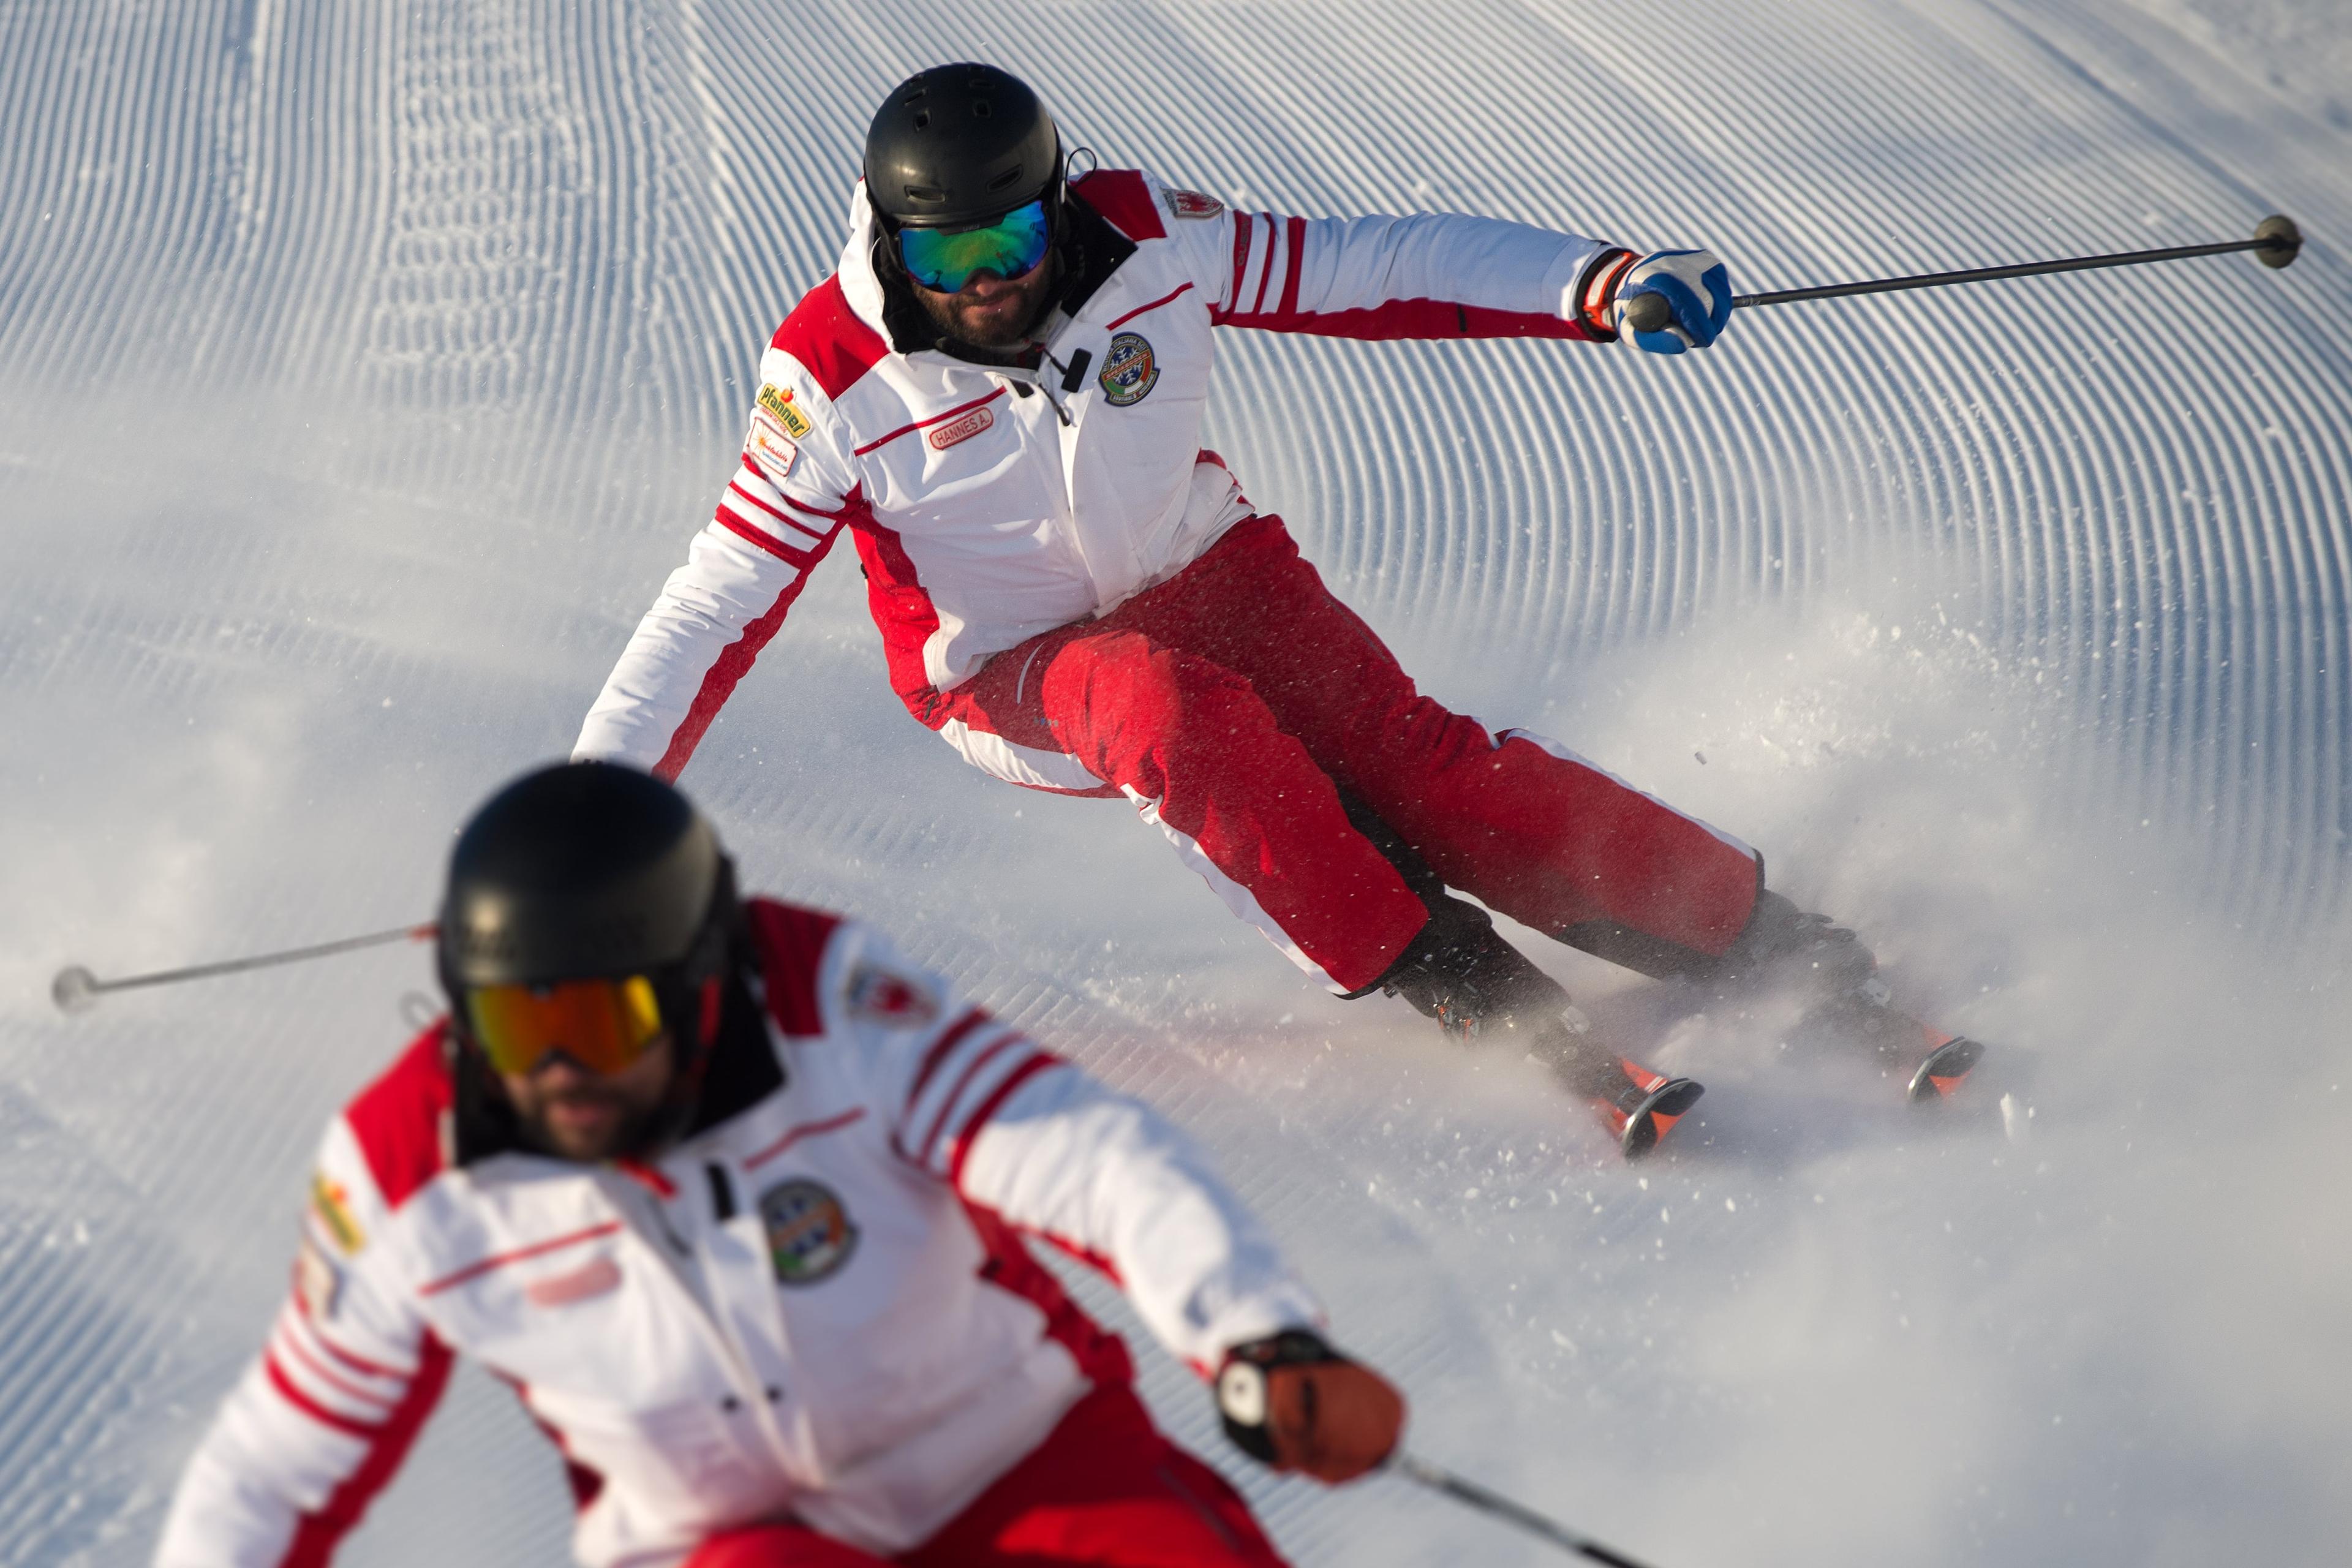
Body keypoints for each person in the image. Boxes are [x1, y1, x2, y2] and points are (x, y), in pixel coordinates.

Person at [573, 64, 1980, 1159]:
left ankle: (1765, 935)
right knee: (1179, 719)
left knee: (1432, 774)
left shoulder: (1146, 238)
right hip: (1009, 665)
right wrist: (584, 825)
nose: (986, 283)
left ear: (1055, 203)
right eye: (944, 260)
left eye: (1009, 238)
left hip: (1211, 567)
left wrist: (1592, 284)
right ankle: (1460, 977)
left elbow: (1374, 266)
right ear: (893, 244)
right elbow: (717, 602)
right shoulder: (828, 373)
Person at [153, 762, 1405, 1568]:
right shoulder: (407, 1166)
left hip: (1012, 1453)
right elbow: (275, 1468)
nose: (557, 1077)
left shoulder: (825, 1003)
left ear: (698, 985)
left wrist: (1258, 1334)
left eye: (599, 1024)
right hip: (726, 1539)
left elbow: (1083, 1153)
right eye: (514, 1032)